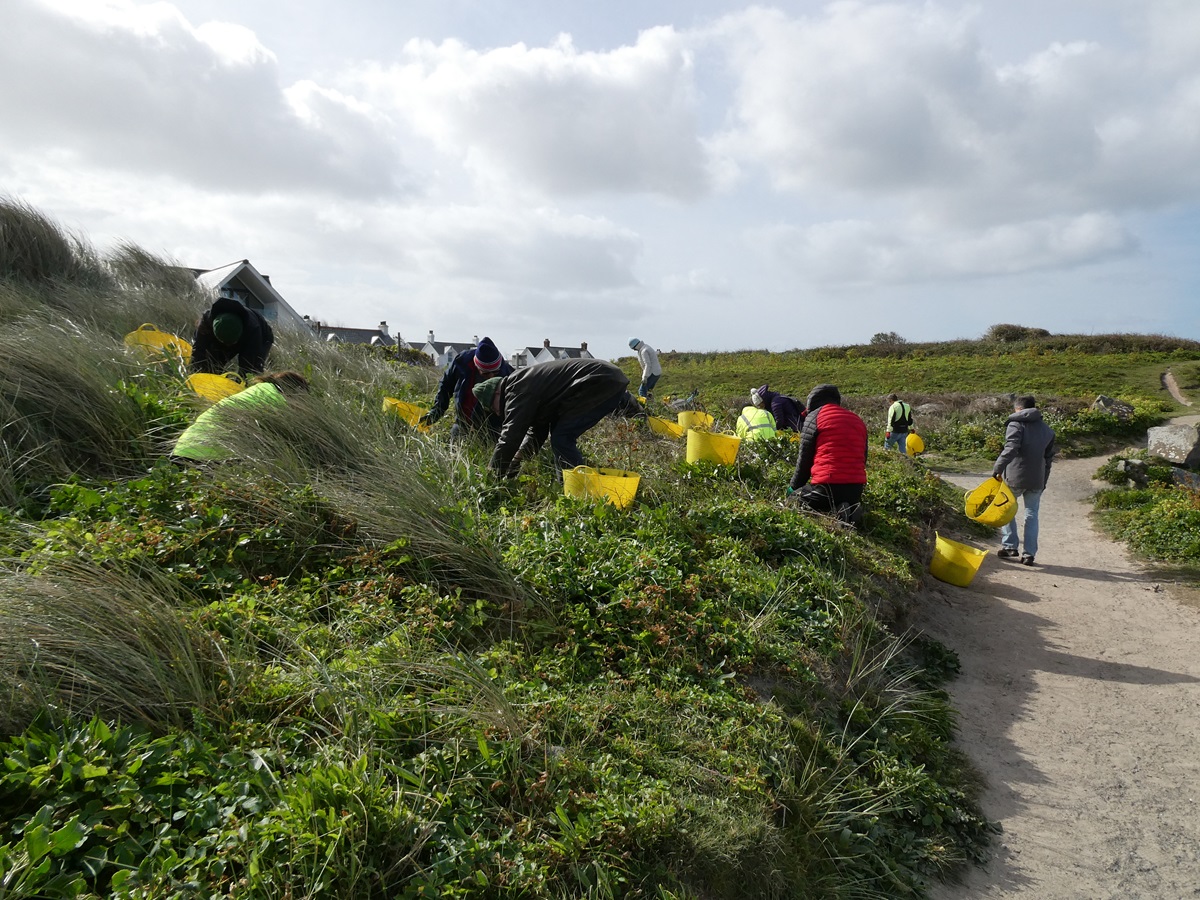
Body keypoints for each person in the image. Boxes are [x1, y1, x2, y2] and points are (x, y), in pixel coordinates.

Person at [474, 358, 643, 477]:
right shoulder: (521, 385)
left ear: (496, 393)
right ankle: (635, 410)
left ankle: (578, 491)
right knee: (560, 433)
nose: (497, 413)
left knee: (562, 438)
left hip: (598, 380)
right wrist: (517, 459)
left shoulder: (516, 389)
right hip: (606, 377)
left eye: (493, 408)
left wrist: (493, 472)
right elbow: (537, 432)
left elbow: (511, 435)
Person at [171, 371, 309, 462]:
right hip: (206, 458)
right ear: (294, 393)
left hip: (180, 450)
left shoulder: (257, 390)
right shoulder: (278, 402)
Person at [787, 384, 868, 527]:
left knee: (795, 499)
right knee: (841, 498)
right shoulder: (857, 420)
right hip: (856, 489)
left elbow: (804, 461)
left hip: (826, 486)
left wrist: (793, 488)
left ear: (812, 403)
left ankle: (836, 508)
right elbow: (863, 458)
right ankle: (849, 507)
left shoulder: (814, 417)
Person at [993, 395, 1057, 566]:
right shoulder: (1047, 430)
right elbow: (1048, 458)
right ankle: (1029, 554)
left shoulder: (1015, 424)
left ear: (1018, 409)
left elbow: (1011, 448)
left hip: (1015, 476)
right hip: (1037, 478)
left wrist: (997, 468)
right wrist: (1044, 480)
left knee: (1006, 508)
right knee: (1032, 515)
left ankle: (1009, 546)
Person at [419, 336, 513, 440]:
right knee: (455, 452)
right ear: (476, 365)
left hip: (492, 428)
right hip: (462, 423)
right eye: (486, 373)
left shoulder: (509, 374)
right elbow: (445, 385)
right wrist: (437, 411)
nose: (491, 377)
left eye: (495, 372)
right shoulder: (462, 362)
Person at [190, 297, 275, 377]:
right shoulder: (205, 324)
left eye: (231, 344)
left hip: (262, 336)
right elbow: (197, 353)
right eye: (225, 343)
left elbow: (247, 366)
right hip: (228, 335)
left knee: (252, 371)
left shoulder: (253, 330)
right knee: (212, 364)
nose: (228, 347)